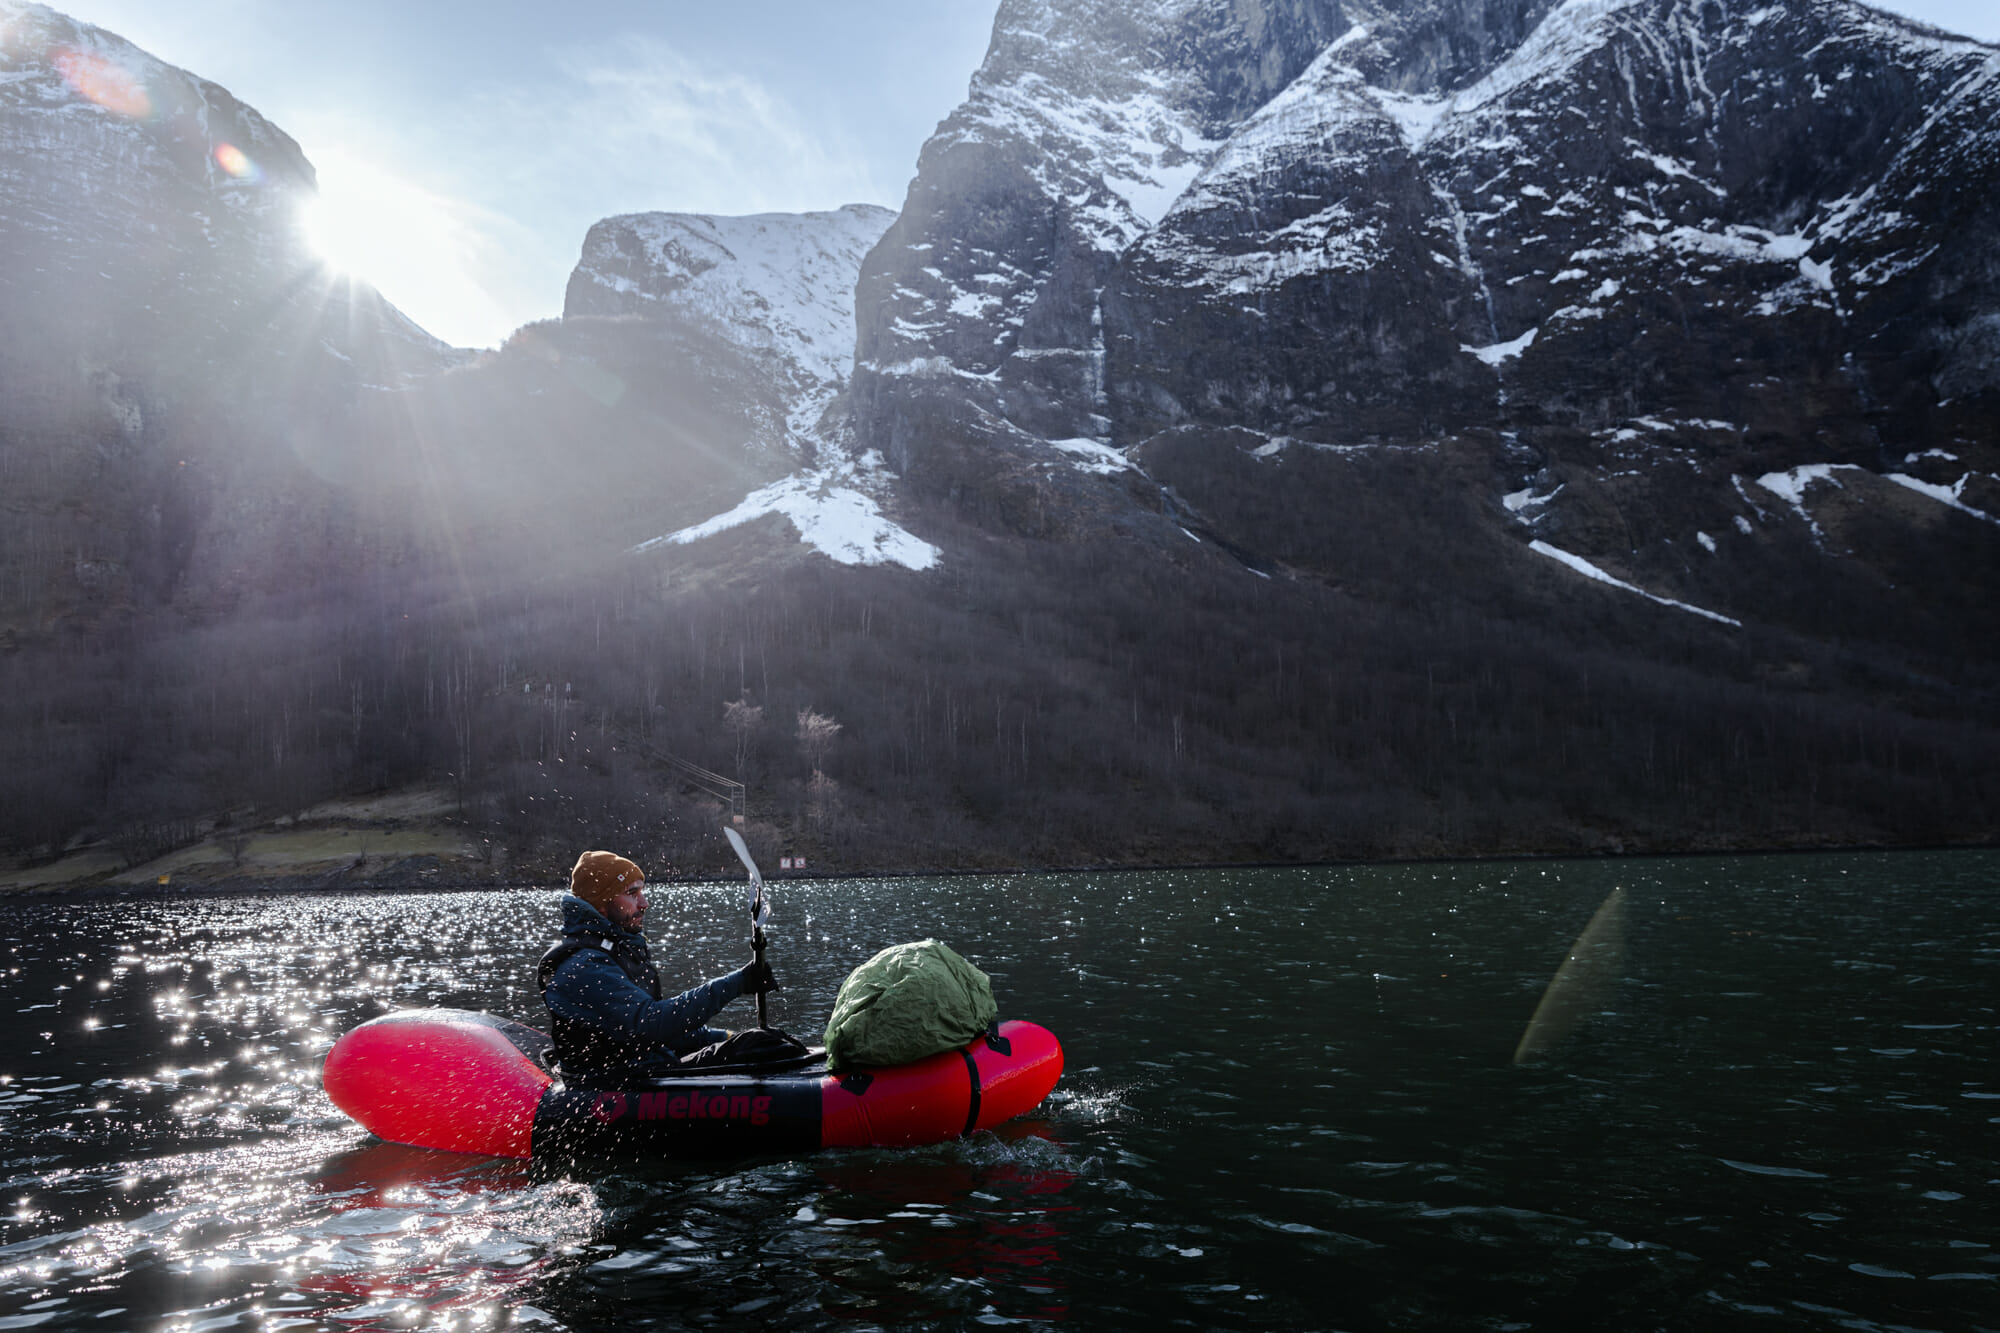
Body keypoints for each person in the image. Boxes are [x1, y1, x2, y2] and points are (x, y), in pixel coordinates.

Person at [539, 849, 776, 1087]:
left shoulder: (618, 950)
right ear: (602, 902)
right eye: (632, 893)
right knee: (757, 1047)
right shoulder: (584, 967)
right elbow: (650, 1024)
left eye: (641, 892)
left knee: (761, 1043)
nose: (644, 903)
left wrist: (726, 1037)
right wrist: (737, 983)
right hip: (616, 1086)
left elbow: (663, 1033)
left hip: (644, 1070)